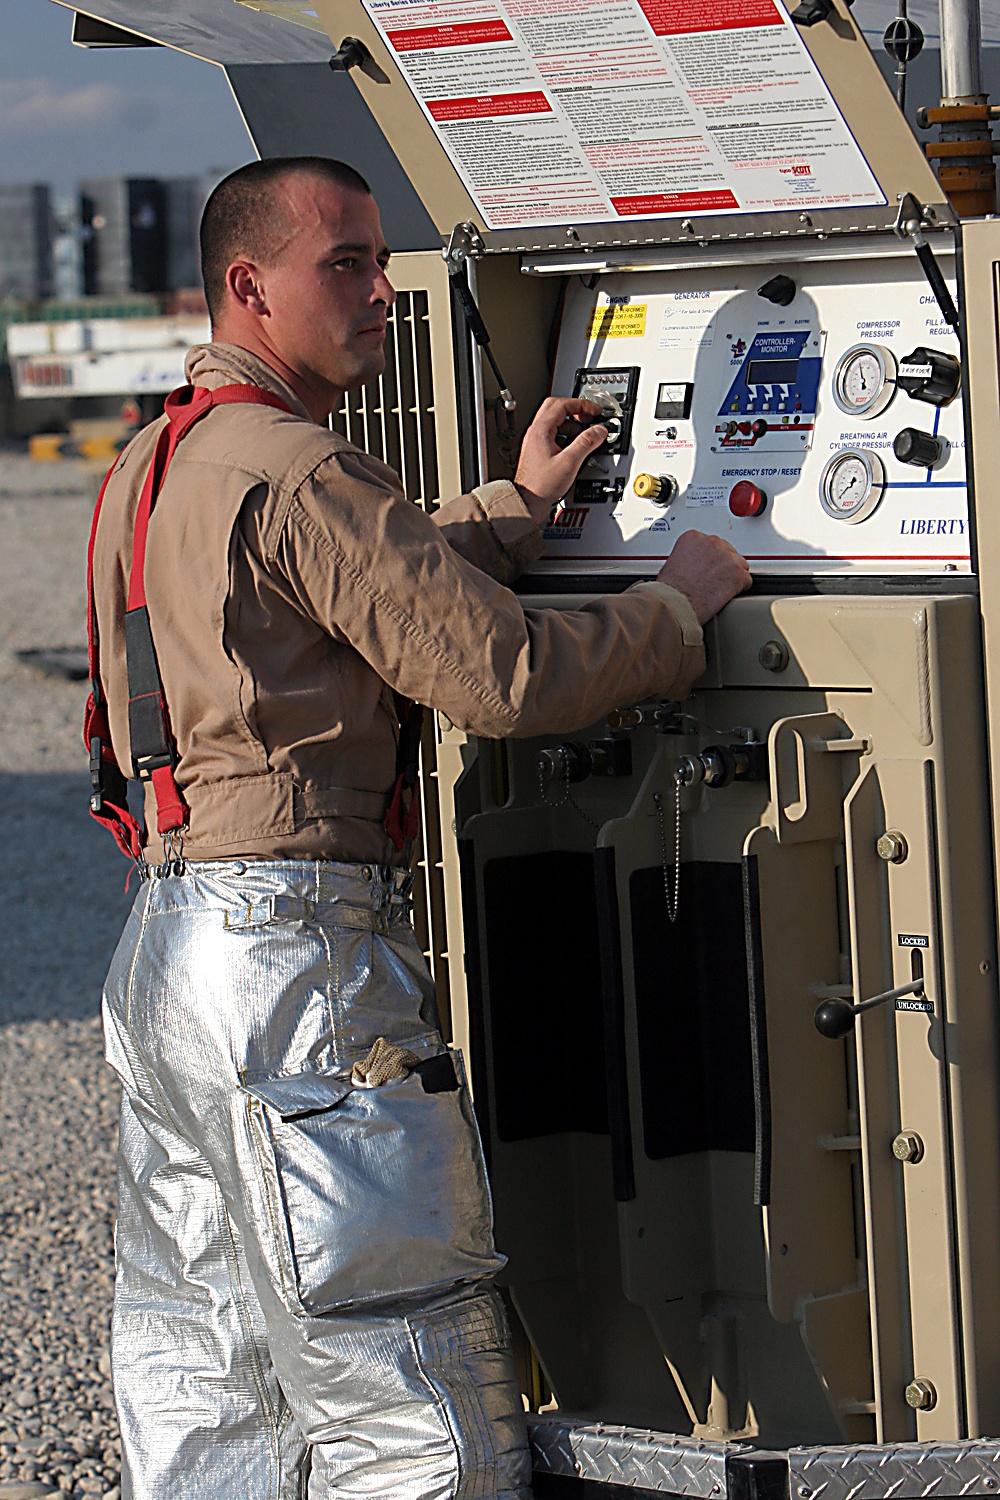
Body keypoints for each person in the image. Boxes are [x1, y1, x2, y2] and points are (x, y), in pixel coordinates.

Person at [90, 156, 751, 1500]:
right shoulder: (302, 466)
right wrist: (676, 610)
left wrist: (513, 511)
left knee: (213, 1380)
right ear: (249, 284)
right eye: (346, 263)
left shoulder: (156, 465)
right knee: (405, 1391)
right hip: (300, 963)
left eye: (381, 261)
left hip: (169, 960)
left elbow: (345, 578)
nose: (381, 290)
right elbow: (506, 677)